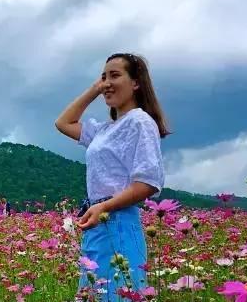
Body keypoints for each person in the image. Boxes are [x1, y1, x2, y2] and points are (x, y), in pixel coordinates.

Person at [55, 52, 170, 300]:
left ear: (136, 82)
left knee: (116, 294)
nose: (107, 83)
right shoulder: (105, 130)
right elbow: (64, 122)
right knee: (94, 294)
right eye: (103, 77)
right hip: (97, 218)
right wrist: (96, 89)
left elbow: (148, 182)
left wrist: (104, 207)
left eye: (115, 76)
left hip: (116, 219)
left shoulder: (139, 121)